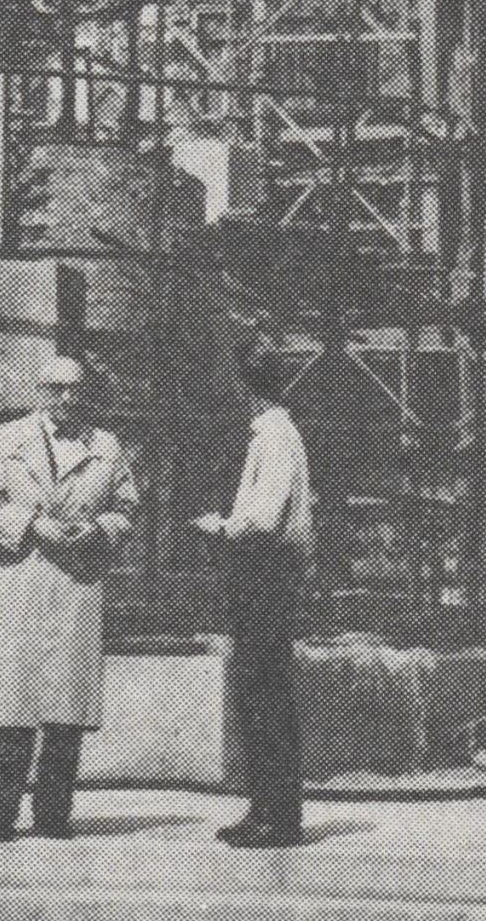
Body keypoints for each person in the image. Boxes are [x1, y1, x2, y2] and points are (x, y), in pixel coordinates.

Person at [0, 354, 139, 841]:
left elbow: (127, 506)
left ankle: (53, 817)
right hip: (21, 581)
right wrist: (31, 524)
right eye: (57, 388)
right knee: (13, 707)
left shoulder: (106, 446)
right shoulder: (5, 440)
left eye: (76, 389)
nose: (68, 398)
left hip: (77, 585)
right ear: (40, 392)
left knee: (66, 712)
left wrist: (99, 529)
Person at [195, 338, 315, 848]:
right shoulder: (275, 434)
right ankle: (268, 808)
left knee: (263, 692)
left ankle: (276, 815)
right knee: (264, 692)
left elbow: (263, 518)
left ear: (244, 385)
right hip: (269, 574)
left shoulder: (274, 437)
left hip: (265, 573)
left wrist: (221, 527)